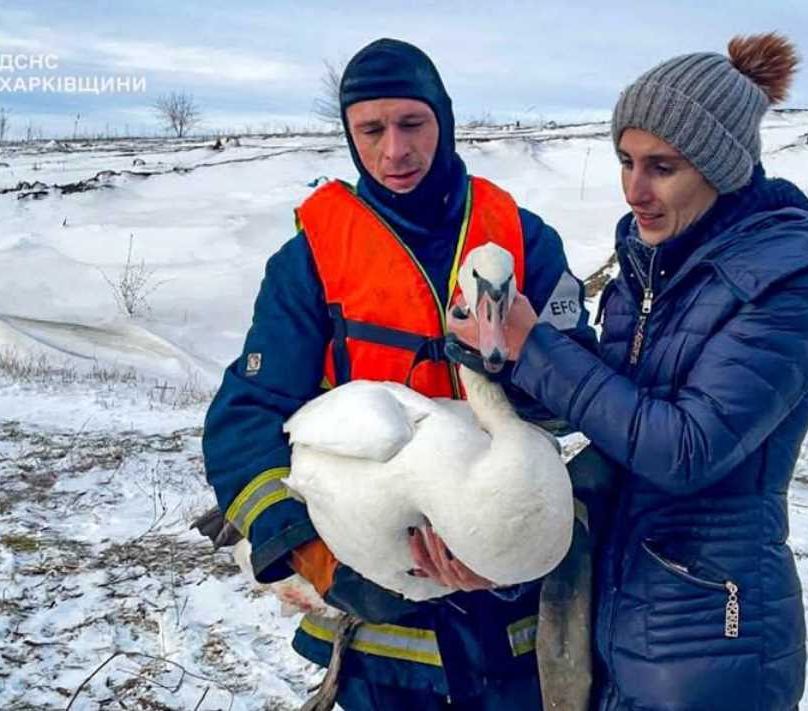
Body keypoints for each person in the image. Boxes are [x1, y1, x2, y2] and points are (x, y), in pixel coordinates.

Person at [448, 33, 808, 710]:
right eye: (626, 161)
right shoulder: (650, 262)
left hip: (710, 633)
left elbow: (685, 448)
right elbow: (616, 405)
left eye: (662, 166)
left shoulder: (788, 281)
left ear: (720, 167)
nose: (635, 190)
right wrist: (500, 358)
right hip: (617, 607)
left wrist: (535, 346)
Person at [201, 38, 596, 711]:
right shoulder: (312, 260)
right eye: (371, 129)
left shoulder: (522, 242)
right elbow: (246, 419)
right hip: (383, 635)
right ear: (351, 136)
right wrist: (325, 562)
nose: (394, 151)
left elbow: (583, 399)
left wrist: (526, 378)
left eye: (411, 124)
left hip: (515, 616)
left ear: (442, 120)